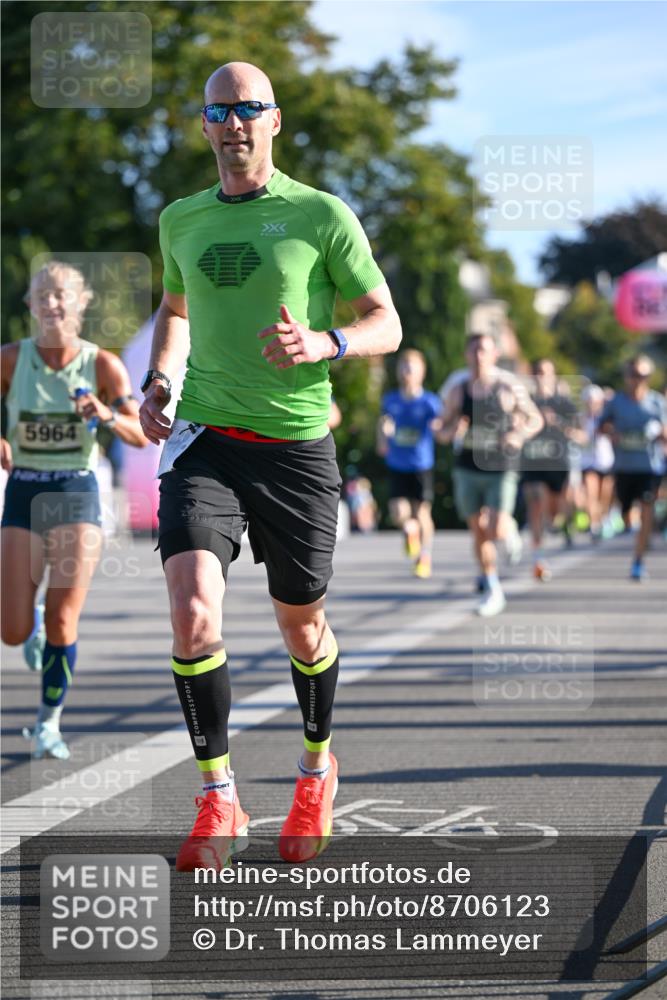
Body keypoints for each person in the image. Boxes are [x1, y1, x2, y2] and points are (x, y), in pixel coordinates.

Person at [138, 62, 401, 871]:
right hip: (205, 439)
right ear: (206, 124)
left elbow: (385, 321)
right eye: (219, 109)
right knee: (191, 614)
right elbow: (175, 311)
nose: (235, 122)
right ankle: (218, 798)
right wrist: (158, 378)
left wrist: (329, 344)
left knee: (301, 624)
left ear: (274, 120)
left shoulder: (321, 214)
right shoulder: (181, 218)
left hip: (293, 448)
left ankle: (316, 770)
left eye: (249, 107)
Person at [0, 261, 146, 759]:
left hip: (75, 491)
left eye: (61, 294)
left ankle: (48, 723)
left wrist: (106, 414)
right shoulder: (10, 360)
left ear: (80, 303)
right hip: (23, 490)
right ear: (30, 306)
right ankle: (30, 623)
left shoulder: (102, 365)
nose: (52, 303)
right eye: (42, 295)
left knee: (66, 619)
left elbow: (140, 431)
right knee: (13, 630)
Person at [438, 333, 542, 616]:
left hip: (500, 466)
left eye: (484, 350)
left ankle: (510, 535)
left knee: (495, 527)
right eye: (473, 351)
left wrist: (518, 435)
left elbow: (535, 419)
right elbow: (442, 428)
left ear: (494, 354)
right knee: (479, 530)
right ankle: (493, 587)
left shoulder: (508, 386)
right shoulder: (459, 388)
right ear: (466, 355)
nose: (478, 356)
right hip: (468, 465)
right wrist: (448, 431)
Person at [599, 356, 667, 580]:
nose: (638, 380)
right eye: (634, 375)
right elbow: (601, 426)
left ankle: (638, 561)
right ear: (627, 376)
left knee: (647, 507)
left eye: (643, 375)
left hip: (649, 467)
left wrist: (659, 432)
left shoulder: (657, 403)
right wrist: (612, 432)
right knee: (629, 516)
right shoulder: (616, 402)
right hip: (624, 467)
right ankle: (636, 530)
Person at [377, 349, 442, 578]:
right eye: (403, 367)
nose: (407, 372)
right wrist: (384, 437)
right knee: (398, 513)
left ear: (421, 372)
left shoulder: (430, 402)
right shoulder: (390, 400)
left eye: (411, 368)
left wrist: (440, 428)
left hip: (421, 465)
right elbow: (382, 428)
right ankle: (410, 530)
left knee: (422, 512)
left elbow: (441, 427)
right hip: (397, 464)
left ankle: (424, 556)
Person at [520, 360, 583, 581]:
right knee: (536, 502)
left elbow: (582, 436)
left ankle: (562, 524)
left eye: (545, 373)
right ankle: (538, 558)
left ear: (553, 376)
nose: (541, 377)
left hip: (558, 466)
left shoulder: (564, 404)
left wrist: (558, 423)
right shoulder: (525, 402)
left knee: (554, 514)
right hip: (532, 463)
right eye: (537, 372)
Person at [580, 384, 615, 540]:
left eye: (594, 401)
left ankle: (603, 518)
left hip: (605, 461)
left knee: (604, 495)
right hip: (588, 462)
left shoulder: (606, 417)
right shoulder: (581, 418)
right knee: (591, 493)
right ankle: (594, 524)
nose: (591, 404)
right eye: (589, 401)